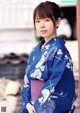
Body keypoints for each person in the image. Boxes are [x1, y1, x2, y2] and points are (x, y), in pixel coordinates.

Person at [20, 1, 76, 113]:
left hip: (44, 107)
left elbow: (56, 82)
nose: (42, 25)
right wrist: (27, 103)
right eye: (37, 21)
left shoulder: (60, 50)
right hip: (31, 106)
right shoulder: (35, 50)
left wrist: (36, 107)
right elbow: (27, 80)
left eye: (47, 20)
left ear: (57, 21)